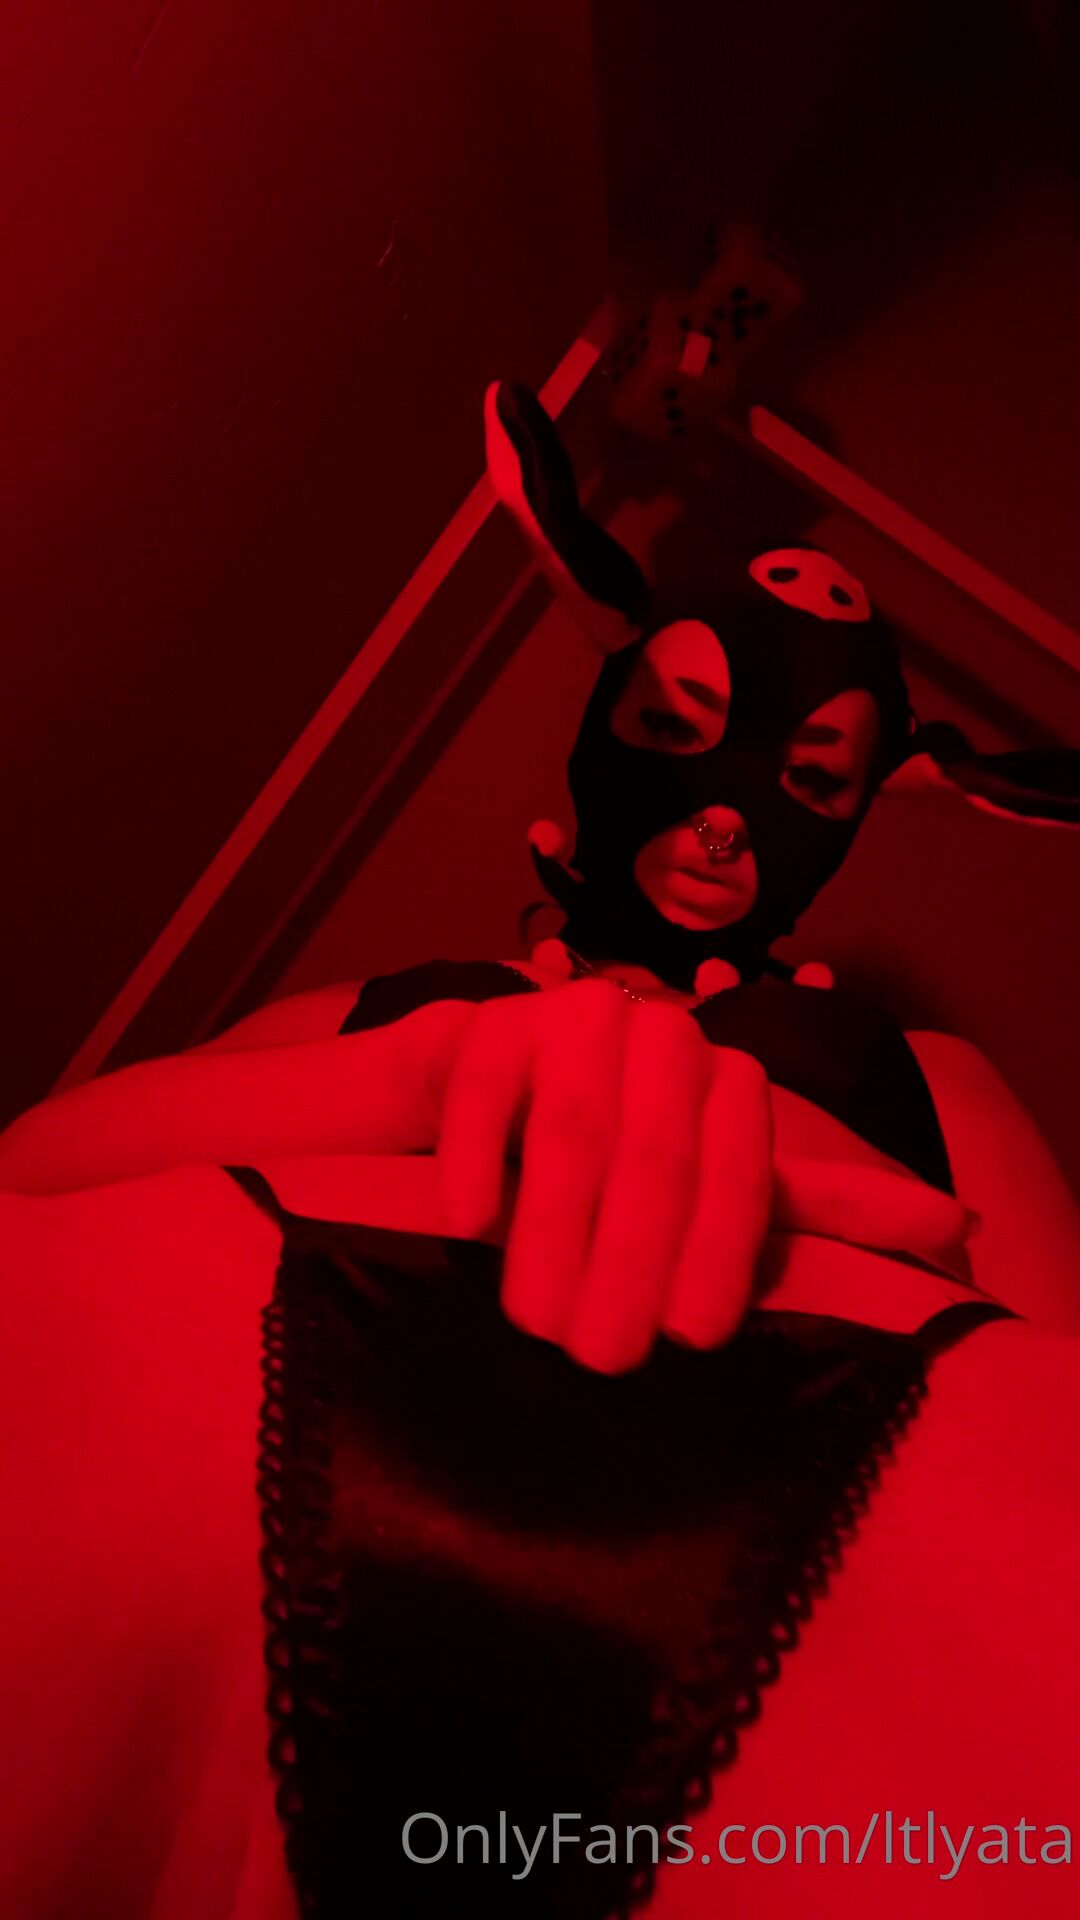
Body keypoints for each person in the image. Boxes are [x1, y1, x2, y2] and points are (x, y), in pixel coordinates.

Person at [1, 384, 1078, 1918]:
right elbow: (32, 1168)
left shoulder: (927, 1076)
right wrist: (424, 1072)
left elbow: (1060, 1375)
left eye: (811, 780)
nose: (728, 818)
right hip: (227, 1428)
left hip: (864, 1543)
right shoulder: (392, 1009)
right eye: (677, 730)